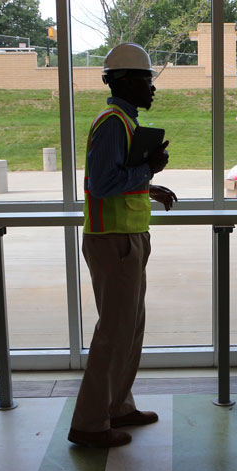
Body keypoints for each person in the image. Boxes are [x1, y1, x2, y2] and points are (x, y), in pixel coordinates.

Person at [68, 43, 177, 448]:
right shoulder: (114, 122)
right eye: (147, 79)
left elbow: (118, 177)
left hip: (128, 240)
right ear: (125, 81)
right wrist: (148, 168)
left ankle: (118, 406)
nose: (152, 88)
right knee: (114, 333)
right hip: (112, 242)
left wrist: (148, 184)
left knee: (130, 329)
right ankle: (89, 423)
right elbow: (102, 183)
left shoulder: (126, 123)